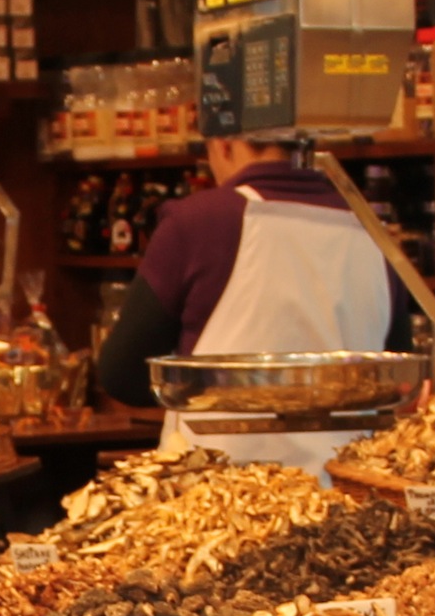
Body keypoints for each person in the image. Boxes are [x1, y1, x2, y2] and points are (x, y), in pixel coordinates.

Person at [90, 133, 404, 467]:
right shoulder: (373, 232)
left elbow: (121, 374)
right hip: (345, 493)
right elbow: (394, 378)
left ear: (224, 144)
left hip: (216, 494)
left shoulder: (199, 221)